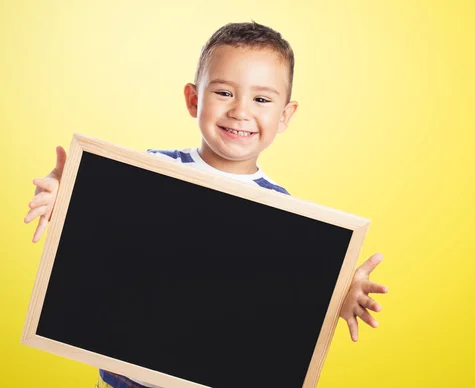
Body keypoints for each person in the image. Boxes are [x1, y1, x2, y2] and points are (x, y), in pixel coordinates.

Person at [24, 21, 388, 388]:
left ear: (284, 116)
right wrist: (68, 199)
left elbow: (280, 304)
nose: (240, 111)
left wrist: (337, 298)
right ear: (193, 99)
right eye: (224, 93)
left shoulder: (284, 215)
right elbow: (106, 238)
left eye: (261, 99)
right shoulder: (149, 172)